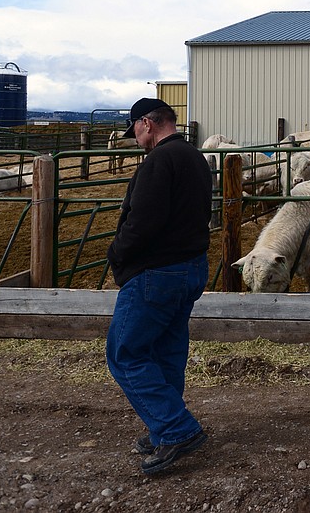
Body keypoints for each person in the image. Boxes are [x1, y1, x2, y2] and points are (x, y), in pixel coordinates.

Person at [106, 98, 213, 475]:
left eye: (134, 128)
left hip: (156, 273)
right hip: (190, 268)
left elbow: (142, 222)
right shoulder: (195, 158)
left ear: (147, 124)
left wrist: (116, 253)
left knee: (126, 353)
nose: (133, 136)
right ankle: (163, 426)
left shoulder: (158, 162)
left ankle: (175, 428)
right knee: (167, 350)